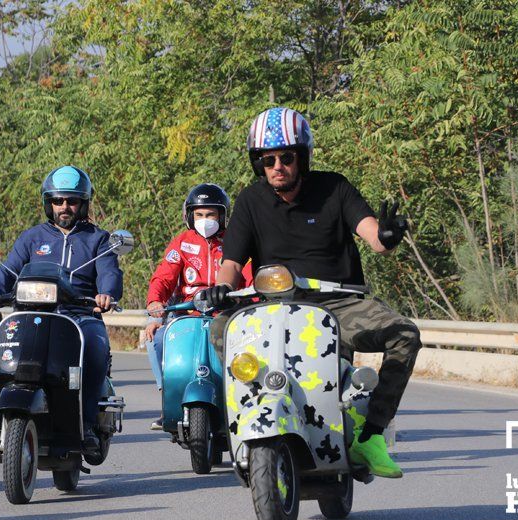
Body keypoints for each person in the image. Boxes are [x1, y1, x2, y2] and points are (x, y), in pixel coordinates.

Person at [201, 107, 420, 479]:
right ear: (259, 164)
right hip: (274, 309)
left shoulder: (334, 187)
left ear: (302, 158)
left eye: (287, 157)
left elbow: (373, 236)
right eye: (267, 159)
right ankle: (245, 422)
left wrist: (386, 236)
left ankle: (371, 434)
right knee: (221, 328)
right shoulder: (250, 201)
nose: (278, 166)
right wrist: (221, 287)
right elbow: (232, 264)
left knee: (405, 335)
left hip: (341, 305)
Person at [0, 166, 122, 458]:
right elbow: (9, 269)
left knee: (94, 347)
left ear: (83, 203)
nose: (64, 207)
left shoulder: (98, 239)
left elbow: (109, 271)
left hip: (79, 314)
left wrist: (105, 294)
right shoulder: (32, 237)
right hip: (31, 312)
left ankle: (88, 424)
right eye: (58, 201)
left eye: (71, 201)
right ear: (49, 203)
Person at [142, 183, 251, 430]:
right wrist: (155, 303)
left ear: (223, 216)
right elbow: (164, 277)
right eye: (200, 214)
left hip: (227, 313)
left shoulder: (236, 241)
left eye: (211, 214)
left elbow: (248, 275)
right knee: (157, 340)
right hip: (188, 313)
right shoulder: (181, 243)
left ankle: (244, 400)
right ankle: (168, 398)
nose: (206, 220)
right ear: (190, 216)